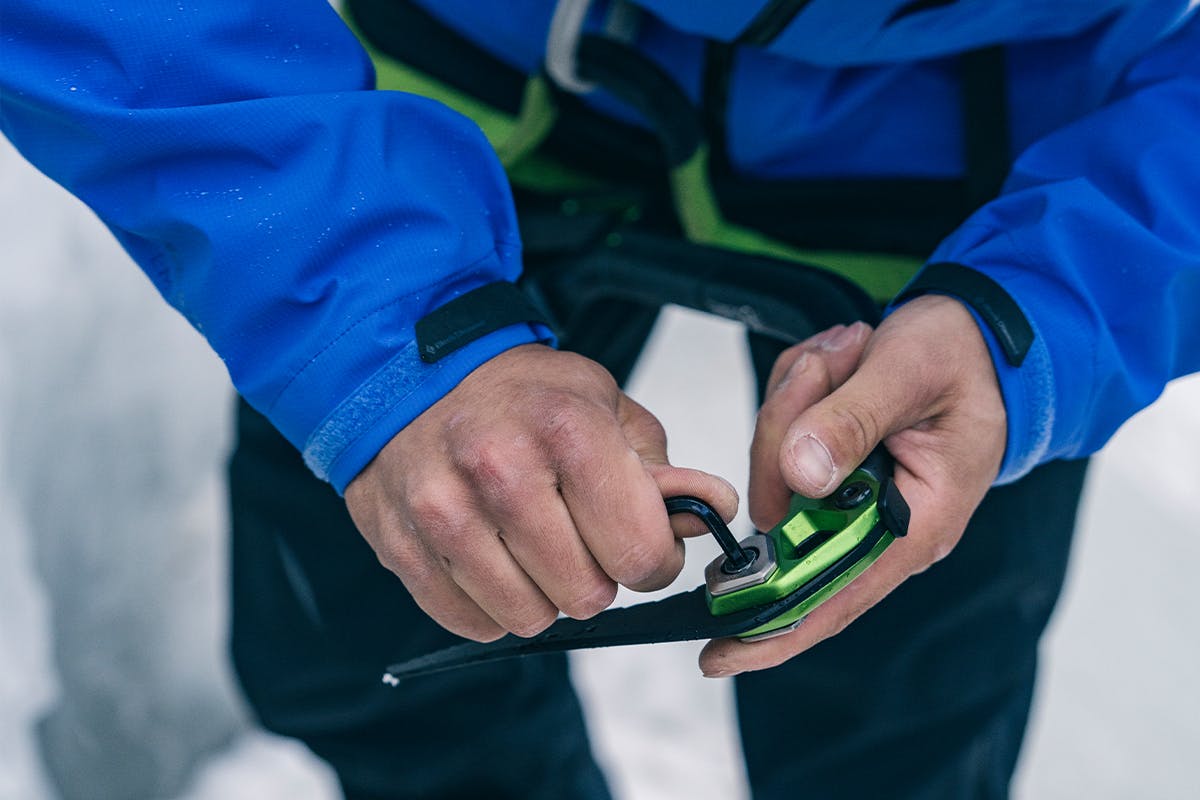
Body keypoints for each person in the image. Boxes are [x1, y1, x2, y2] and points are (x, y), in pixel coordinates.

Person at [3, 1, 1199, 797]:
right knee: (366, 636)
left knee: (900, 733)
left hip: (992, 145)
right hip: (467, 77)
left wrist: (1052, 299)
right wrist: (375, 316)